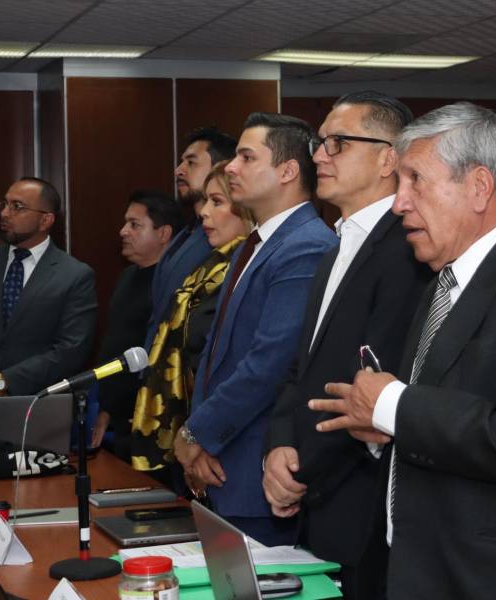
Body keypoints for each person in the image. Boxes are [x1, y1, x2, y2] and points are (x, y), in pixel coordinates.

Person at [309, 102, 496, 600]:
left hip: (489, 580)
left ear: (479, 186)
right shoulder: (442, 280)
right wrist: (382, 428)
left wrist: (392, 405)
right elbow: (445, 418)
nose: (398, 203)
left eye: (415, 180)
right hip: (417, 569)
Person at [262, 91, 431, 597]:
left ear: (388, 159)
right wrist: (279, 447)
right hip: (318, 494)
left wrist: (304, 475)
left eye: (337, 142)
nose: (319, 155)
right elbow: (303, 366)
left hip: (362, 506)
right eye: (320, 143)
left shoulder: (408, 251)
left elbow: (377, 393)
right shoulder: (337, 245)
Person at [173, 112, 338, 546]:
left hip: (255, 469)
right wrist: (201, 439)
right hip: (223, 461)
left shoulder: (306, 246)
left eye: (247, 158)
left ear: (287, 171)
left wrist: (197, 434)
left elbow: (269, 364)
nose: (231, 167)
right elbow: (217, 353)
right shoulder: (257, 242)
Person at [131, 161, 253, 488]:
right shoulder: (209, 264)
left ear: (247, 208)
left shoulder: (245, 267)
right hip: (191, 427)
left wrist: (201, 434)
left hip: (222, 437)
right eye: (205, 201)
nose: (204, 212)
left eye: (217, 201)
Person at [0, 177, 97, 397]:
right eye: (4, 204)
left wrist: (4, 382)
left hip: (38, 402)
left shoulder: (75, 275)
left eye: (17, 207)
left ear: (45, 220)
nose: (5, 213)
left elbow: (71, 349)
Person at [90, 190, 184, 457]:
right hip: (116, 413)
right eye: (125, 223)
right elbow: (115, 344)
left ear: (163, 233)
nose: (123, 231)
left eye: (134, 225)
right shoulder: (127, 276)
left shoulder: (173, 283)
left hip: (149, 414)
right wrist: (107, 409)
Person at [143, 127, 237, 354]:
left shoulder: (224, 241)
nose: (179, 170)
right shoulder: (186, 232)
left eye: (191, 163)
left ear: (221, 166)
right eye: (181, 162)